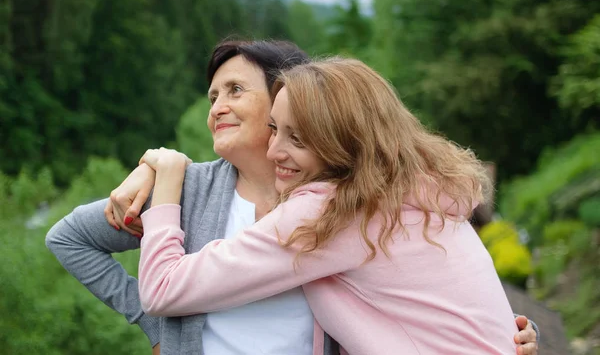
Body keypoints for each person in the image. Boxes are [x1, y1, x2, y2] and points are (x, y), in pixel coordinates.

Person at [45, 40, 539, 355]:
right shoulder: (191, 192)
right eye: (213, 95)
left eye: (236, 90)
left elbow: (426, 297)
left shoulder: (332, 206)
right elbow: (69, 239)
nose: (218, 106)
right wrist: (158, 327)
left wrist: (504, 334)